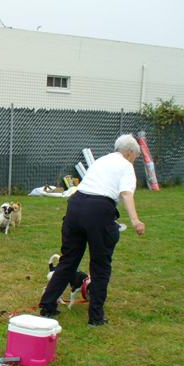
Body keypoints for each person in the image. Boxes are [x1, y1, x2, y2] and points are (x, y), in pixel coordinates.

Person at [39, 134, 146, 327]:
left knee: (68, 260)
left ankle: (47, 306)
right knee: (101, 266)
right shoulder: (126, 166)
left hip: (76, 205)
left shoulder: (101, 160)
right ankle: (96, 317)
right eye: (135, 157)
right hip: (99, 210)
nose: (134, 161)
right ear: (130, 153)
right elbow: (126, 193)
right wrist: (135, 220)